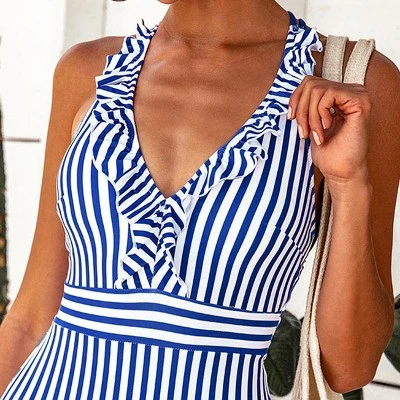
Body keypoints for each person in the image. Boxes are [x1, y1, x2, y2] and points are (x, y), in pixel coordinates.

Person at [0, 0, 399, 398]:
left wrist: (348, 185)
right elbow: (29, 321)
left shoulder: (354, 81)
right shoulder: (88, 70)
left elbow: (348, 369)